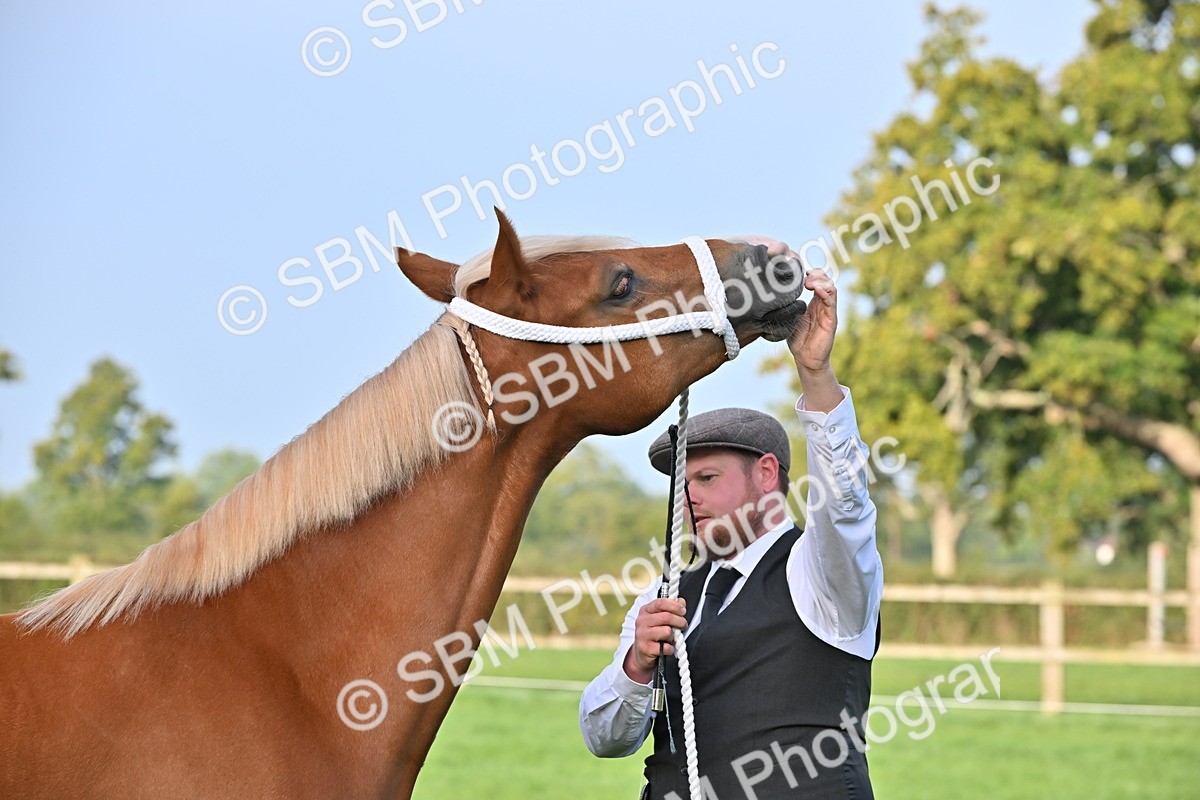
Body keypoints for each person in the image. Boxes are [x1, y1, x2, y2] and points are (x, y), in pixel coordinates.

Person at [578, 243, 883, 800]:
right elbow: (604, 737)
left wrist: (815, 374)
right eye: (682, 484)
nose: (688, 498)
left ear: (767, 475)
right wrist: (637, 664)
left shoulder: (822, 575)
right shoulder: (667, 592)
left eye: (707, 479)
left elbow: (845, 506)